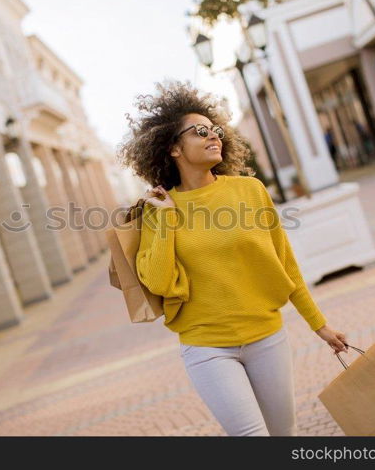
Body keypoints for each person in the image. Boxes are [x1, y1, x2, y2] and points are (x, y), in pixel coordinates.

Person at [118, 80, 348, 436]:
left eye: (216, 131)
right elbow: (160, 282)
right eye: (200, 132)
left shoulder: (250, 191)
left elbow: (285, 265)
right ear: (174, 147)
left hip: (266, 338)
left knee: (284, 434)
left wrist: (320, 325)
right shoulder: (157, 210)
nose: (214, 137)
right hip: (206, 347)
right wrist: (164, 218)